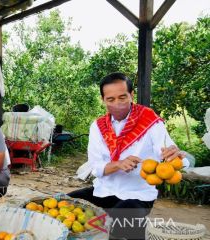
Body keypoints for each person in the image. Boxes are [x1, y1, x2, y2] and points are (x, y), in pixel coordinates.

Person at [69, 72, 189, 239]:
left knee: (122, 220)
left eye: (122, 97)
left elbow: (168, 152)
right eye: (110, 100)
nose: (117, 104)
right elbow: (96, 167)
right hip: (103, 191)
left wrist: (175, 155)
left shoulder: (150, 121)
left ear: (132, 95)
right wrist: (118, 164)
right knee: (63, 204)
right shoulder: (97, 126)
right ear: (103, 100)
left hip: (138, 194)